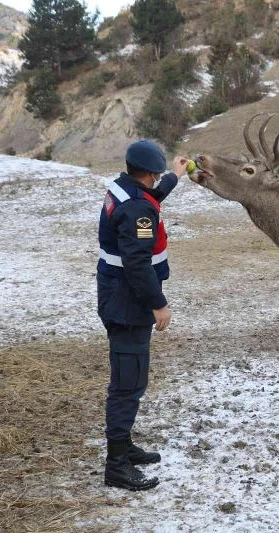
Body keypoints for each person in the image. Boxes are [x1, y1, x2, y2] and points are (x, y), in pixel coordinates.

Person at [97, 139, 187, 491]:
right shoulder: (137, 210)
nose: (158, 180)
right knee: (128, 385)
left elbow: (149, 198)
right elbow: (137, 263)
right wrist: (158, 303)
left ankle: (125, 447)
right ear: (148, 174)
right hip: (129, 303)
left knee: (130, 379)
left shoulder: (124, 189)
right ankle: (116, 465)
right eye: (159, 175)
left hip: (117, 295)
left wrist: (175, 177)